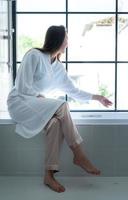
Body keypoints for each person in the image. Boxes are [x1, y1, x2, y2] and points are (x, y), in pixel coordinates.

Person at [7, 25, 112, 193]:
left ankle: (49, 175)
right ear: (58, 39)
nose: (68, 41)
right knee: (62, 105)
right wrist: (41, 98)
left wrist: (97, 97)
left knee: (55, 123)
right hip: (19, 103)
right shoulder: (34, 55)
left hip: (36, 106)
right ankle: (79, 154)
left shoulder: (58, 67)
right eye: (67, 38)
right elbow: (21, 87)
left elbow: (74, 91)